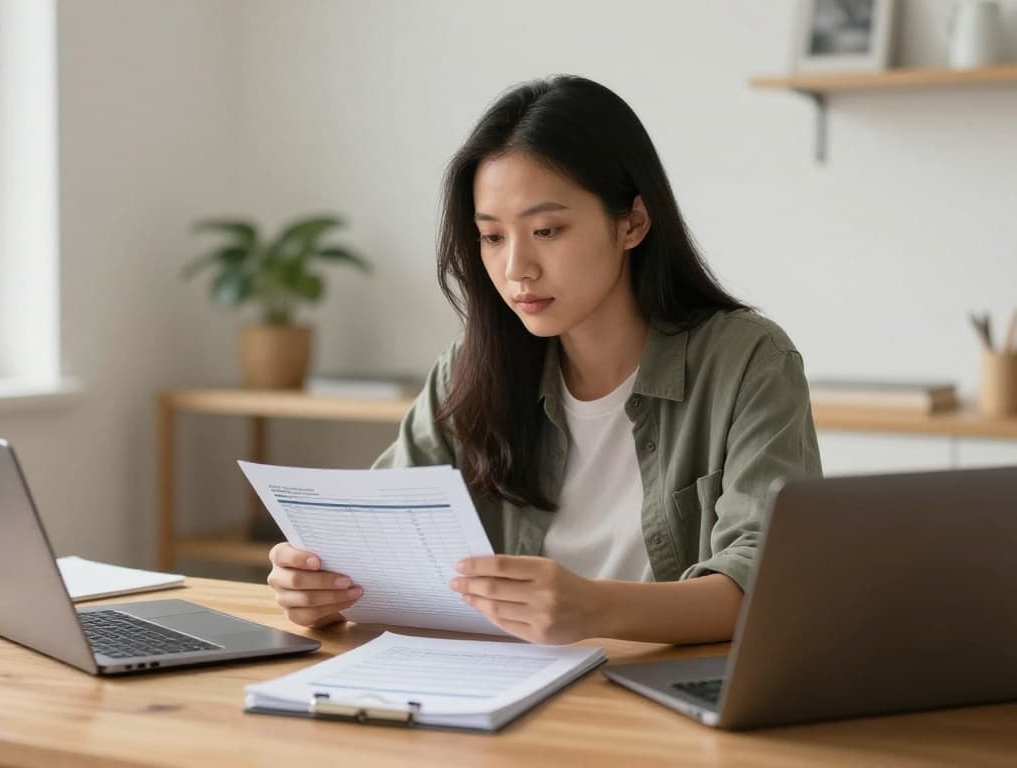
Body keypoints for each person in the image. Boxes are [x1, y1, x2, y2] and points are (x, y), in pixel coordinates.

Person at [267, 75, 822, 645]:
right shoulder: (469, 368)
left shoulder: (748, 360)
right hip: (501, 692)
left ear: (632, 221)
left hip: (671, 698)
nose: (516, 269)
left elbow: (770, 581)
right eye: (492, 237)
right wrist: (317, 586)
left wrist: (595, 608)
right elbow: (375, 543)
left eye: (547, 230)